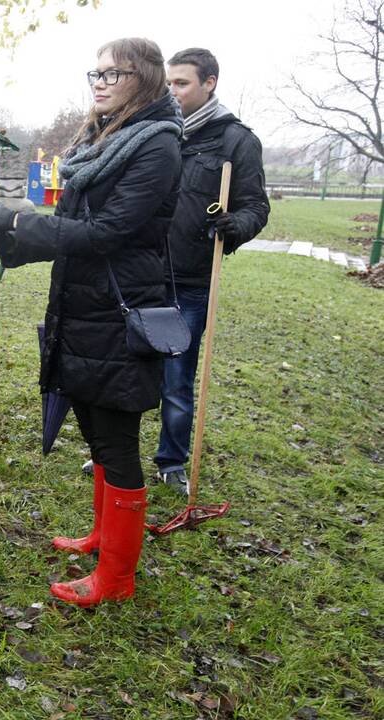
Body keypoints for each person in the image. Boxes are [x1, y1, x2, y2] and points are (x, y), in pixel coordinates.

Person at [0, 38, 182, 607]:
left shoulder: (157, 145)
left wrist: (19, 220)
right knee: (92, 428)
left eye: (116, 73)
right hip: (80, 306)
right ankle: (100, 536)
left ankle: (117, 577)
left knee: (116, 441)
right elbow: (73, 230)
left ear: (147, 78)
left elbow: (108, 233)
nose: (101, 82)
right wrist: (13, 245)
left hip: (120, 312)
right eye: (97, 72)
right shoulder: (96, 140)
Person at [153, 48, 270, 493]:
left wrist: (234, 225)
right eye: (169, 83)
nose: (173, 91)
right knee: (129, 367)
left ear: (210, 82)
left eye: (182, 83)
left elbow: (256, 207)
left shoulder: (235, 140)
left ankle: (170, 461)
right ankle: (113, 450)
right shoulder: (161, 131)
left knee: (177, 378)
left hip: (191, 279)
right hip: (144, 271)